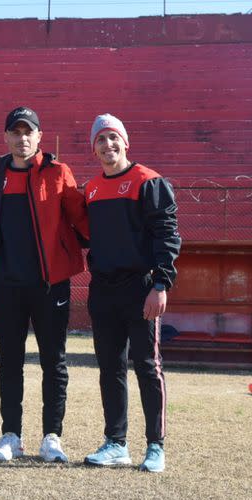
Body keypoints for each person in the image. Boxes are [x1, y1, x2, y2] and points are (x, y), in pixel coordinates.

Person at [0, 107, 89, 463]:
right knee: (9, 361)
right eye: (15, 131)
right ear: (6, 137)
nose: (22, 138)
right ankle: (11, 435)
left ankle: (51, 437)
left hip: (50, 285)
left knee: (53, 362)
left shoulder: (58, 173)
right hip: (6, 285)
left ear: (40, 136)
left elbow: (85, 222)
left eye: (29, 132)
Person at [82, 113, 181, 473]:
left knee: (147, 366)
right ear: (93, 148)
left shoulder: (148, 182)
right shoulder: (91, 189)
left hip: (141, 288)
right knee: (110, 369)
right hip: (104, 291)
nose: (107, 145)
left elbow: (167, 235)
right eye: (100, 140)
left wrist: (161, 284)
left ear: (125, 142)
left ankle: (155, 446)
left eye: (113, 138)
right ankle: (116, 442)